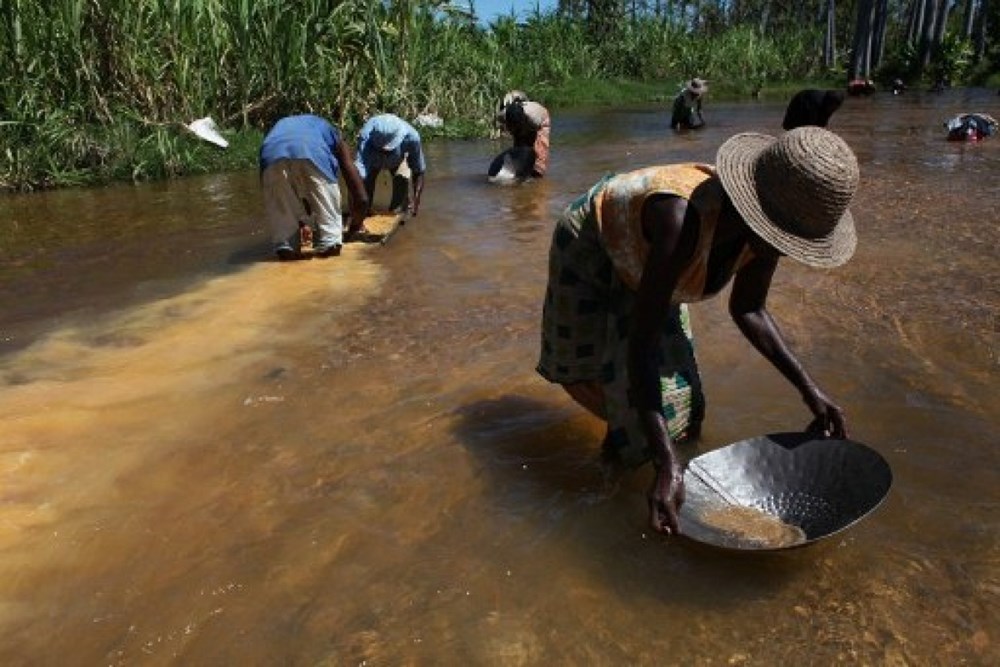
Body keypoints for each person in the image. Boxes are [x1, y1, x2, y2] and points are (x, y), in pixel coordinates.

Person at [536, 127, 858, 535]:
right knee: (593, 377)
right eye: (786, 241)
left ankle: (622, 456)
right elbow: (641, 347)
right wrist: (666, 462)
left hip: (657, 266)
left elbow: (750, 309)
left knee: (682, 407)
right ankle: (608, 494)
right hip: (593, 240)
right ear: (756, 214)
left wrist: (809, 390)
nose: (785, 252)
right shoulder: (680, 219)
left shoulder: (765, 234)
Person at [259, 114, 369, 260]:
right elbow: (361, 198)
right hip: (311, 150)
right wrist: (354, 228)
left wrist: (300, 223)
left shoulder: (285, 126)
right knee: (331, 243)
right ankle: (329, 272)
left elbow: (292, 189)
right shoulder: (334, 135)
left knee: (285, 244)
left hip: (270, 156)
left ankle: (288, 265)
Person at [354, 113, 426, 216]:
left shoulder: (412, 138)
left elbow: (418, 170)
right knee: (366, 184)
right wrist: (358, 203)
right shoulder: (365, 136)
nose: (385, 153)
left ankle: (402, 208)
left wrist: (417, 200)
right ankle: (366, 210)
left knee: (401, 184)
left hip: (399, 160)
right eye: (382, 149)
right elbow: (359, 172)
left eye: (388, 150)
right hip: (373, 162)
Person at [489, 90, 551, 181]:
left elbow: (536, 135)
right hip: (522, 119)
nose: (514, 128)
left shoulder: (535, 118)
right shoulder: (503, 115)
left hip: (541, 121)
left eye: (517, 124)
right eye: (512, 125)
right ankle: (520, 173)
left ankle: (537, 177)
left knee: (539, 150)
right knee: (519, 147)